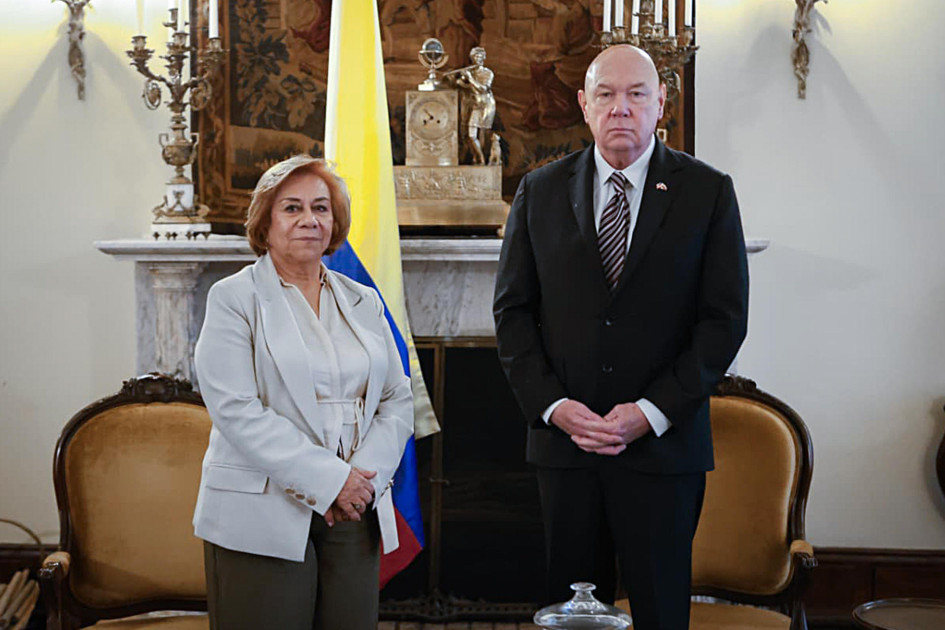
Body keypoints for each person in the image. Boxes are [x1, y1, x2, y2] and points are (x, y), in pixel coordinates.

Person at [493, 45, 749, 630]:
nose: (621, 108)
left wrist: (652, 411)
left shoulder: (707, 192)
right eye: (605, 95)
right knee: (570, 614)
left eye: (636, 94)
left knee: (660, 612)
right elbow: (512, 315)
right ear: (584, 105)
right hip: (568, 448)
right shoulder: (540, 191)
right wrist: (556, 408)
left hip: (663, 448)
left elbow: (724, 320)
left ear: (661, 103)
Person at [192, 155, 414, 630]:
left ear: (335, 223)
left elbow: (397, 398)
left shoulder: (364, 299)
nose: (309, 220)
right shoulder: (233, 299)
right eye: (292, 208)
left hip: (355, 508)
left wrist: (360, 482)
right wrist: (330, 480)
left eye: (321, 208)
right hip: (263, 508)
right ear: (265, 222)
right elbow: (237, 410)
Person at [451, 46, 496, 164]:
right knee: (470, 135)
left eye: (481, 56)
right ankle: (479, 157)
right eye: (476, 56)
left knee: (483, 134)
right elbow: (467, 88)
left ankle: (480, 159)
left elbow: (482, 89)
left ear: (484, 58)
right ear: (472, 58)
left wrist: (470, 78)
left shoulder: (487, 73)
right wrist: (457, 81)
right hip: (474, 105)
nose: (479, 58)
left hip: (485, 105)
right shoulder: (470, 72)